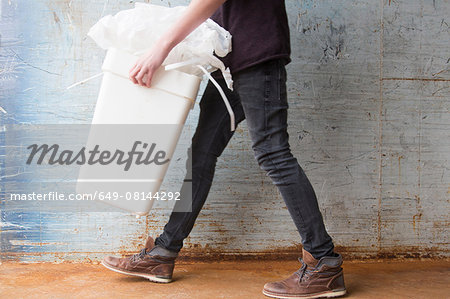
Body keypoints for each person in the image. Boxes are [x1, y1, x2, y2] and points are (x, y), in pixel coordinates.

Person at [101, 1, 347, 298]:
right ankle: (163, 254)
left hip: (256, 55)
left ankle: (323, 262)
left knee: (273, 153)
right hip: (229, 61)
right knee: (202, 154)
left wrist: (160, 48)